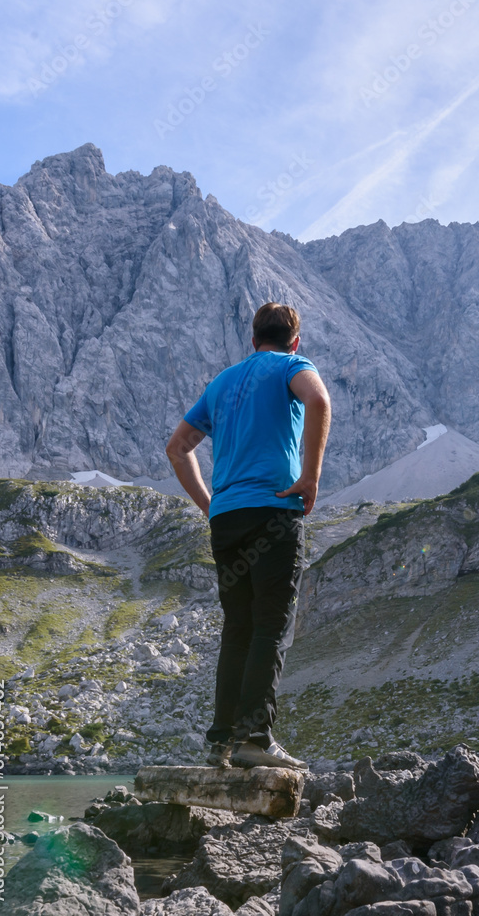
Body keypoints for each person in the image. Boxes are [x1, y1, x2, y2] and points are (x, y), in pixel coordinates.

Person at [165, 302, 331, 770]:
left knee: (237, 628)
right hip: (274, 511)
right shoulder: (293, 365)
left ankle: (221, 742)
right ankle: (256, 739)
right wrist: (311, 477)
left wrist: (208, 503)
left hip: (227, 520)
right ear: (294, 340)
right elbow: (318, 400)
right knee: (271, 624)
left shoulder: (220, 384)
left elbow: (177, 449)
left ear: (253, 338)